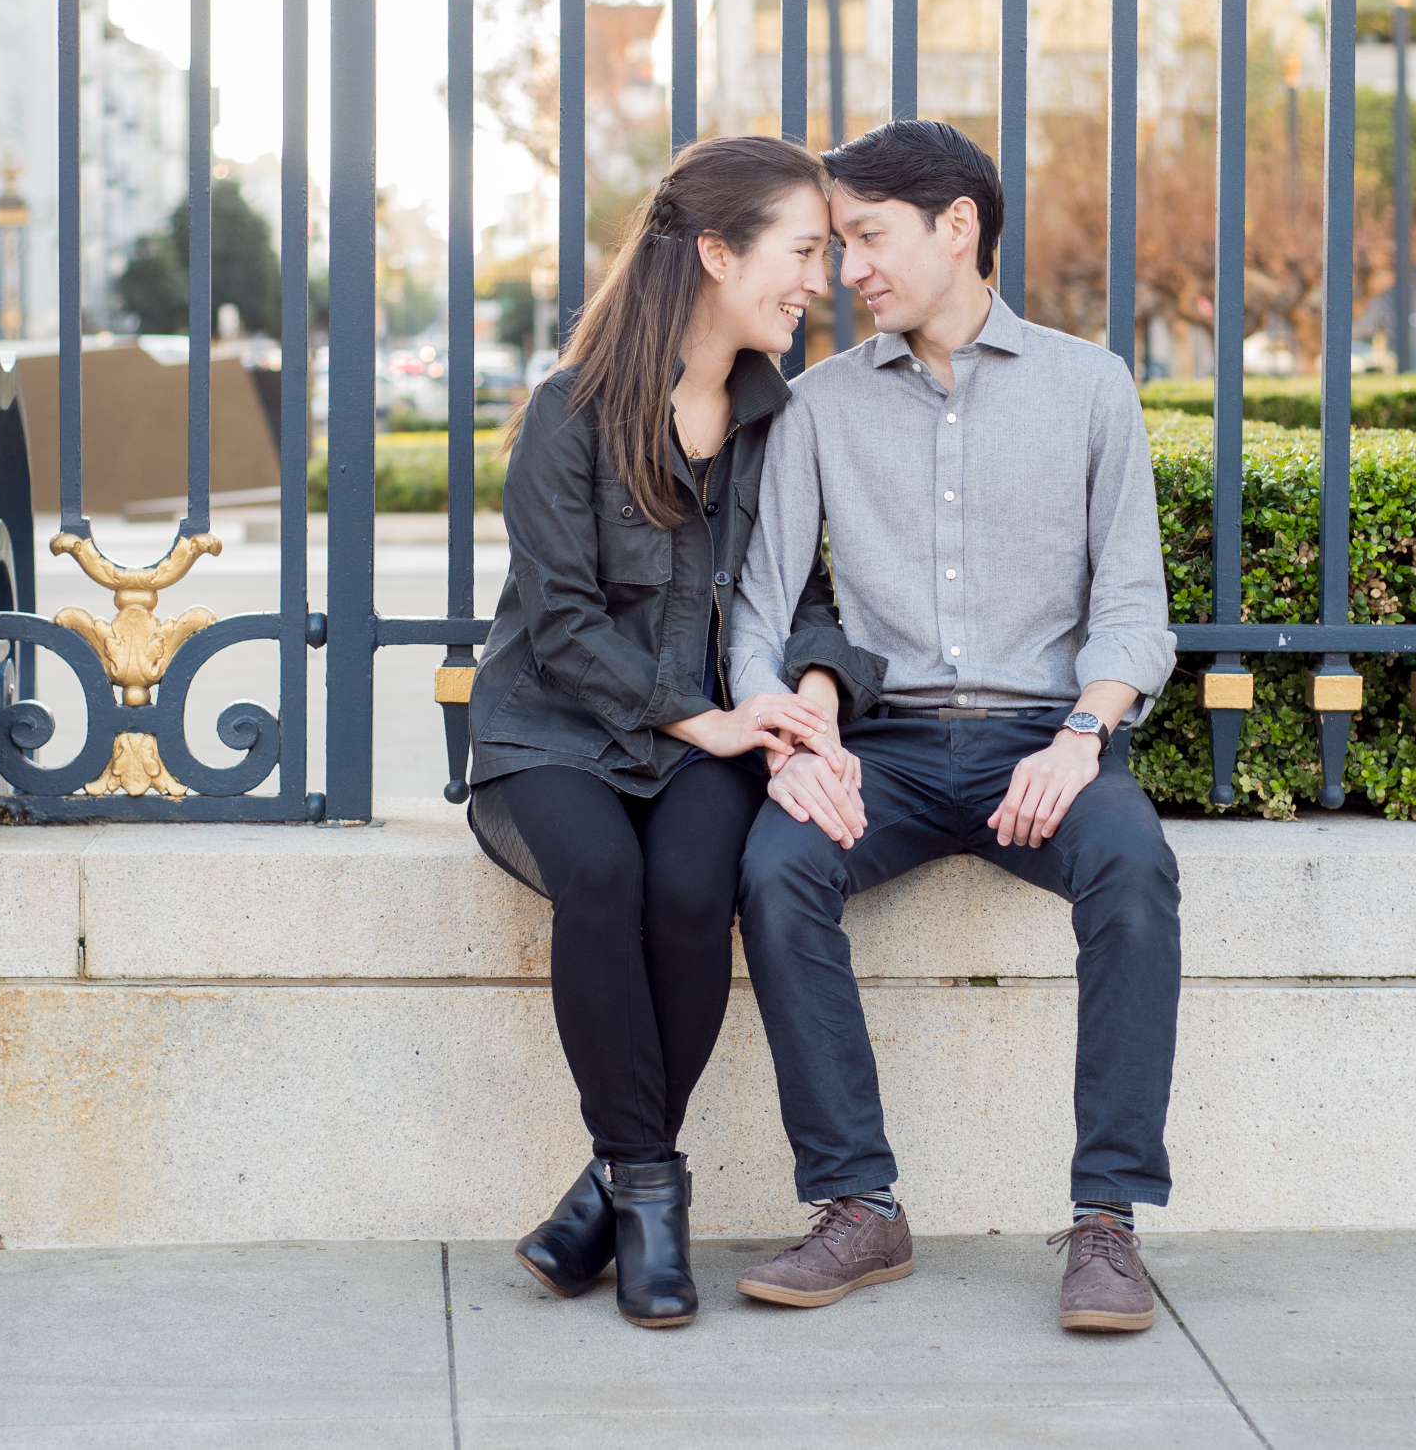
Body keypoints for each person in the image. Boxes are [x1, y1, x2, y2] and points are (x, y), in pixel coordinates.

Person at [723, 119, 1183, 1333]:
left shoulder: (1090, 385)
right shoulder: (815, 405)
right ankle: (858, 1204)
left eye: (867, 237)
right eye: (836, 242)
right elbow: (760, 611)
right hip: (880, 749)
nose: (848, 268)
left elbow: (1135, 611)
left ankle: (1107, 1222)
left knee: (1134, 870)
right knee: (774, 873)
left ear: (958, 227)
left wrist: (1080, 737)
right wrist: (793, 740)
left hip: (1046, 737)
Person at [466, 135, 872, 1330]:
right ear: (714, 251)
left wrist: (807, 687)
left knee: (695, 889)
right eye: (802, 250)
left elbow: (804, 592)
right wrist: (705, 719)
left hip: (711, 734)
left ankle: (608, 1191)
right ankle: (650, 1194)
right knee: (601, 875)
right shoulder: (568, 412)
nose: (819, 279)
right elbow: (560, 619)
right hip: (552, 732)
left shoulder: (772, 418)